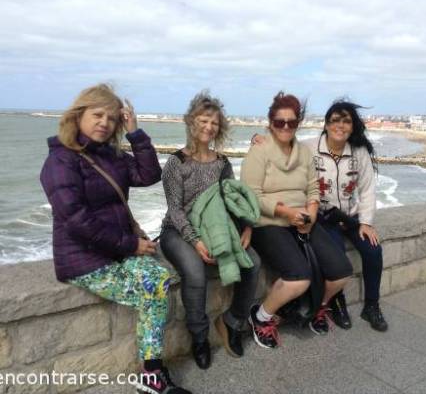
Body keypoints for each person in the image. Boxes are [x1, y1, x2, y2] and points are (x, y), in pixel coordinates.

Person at [40, 84, 191, 394]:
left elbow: (148, 175)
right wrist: (131, 245)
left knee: (158, 280)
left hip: (112, 250)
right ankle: (152, 374)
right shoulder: (61, 160)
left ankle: (151, 372)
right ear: (78, 115)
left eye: (112, 118)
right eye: (97, 115)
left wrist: (135, 133)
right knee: (155, 285)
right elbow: (77, 220)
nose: (104, 123)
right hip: (83, 259)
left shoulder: (110, 155)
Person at [241, 92, 353, 349]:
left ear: (298, 123)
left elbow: (313, 188)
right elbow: (251, 196)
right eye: (280, 122)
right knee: (298, 277)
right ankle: (261, 317)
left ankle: (316, 307)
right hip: (268, 222)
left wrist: (311, 212)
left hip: (303, 220)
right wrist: (286, 212)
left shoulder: (303, 152)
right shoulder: (259, 152)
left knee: (341, 271)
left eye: (291, 122)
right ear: (270, 123)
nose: (285, 127)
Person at [159, 91, 261, 369]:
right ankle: (200, 338)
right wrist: (196, 242)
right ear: (192, 122)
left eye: (214, 123)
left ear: (220, 127)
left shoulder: (222, 163)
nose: (208, 127)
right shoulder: (176, 163)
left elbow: (233, 198)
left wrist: (247, 227)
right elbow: (176, 210)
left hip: (217, 226)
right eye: (203, 120)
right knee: (195, 273)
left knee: (253, 263)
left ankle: (232, 321)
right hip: (177, 231)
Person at [307, 99, 388, 332]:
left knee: (373, 250)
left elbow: (367, 188)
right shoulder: (310, 147)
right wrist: (257, 140)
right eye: (335, 120)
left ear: (353, 127)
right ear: (326, 123)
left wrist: (366, 223)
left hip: (350, 218)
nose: (340, 125)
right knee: (336, 256)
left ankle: (372, 305)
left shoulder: (359, 152)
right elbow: (281, 147)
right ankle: (337, 302)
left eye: (346, 121)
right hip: (323, 217)